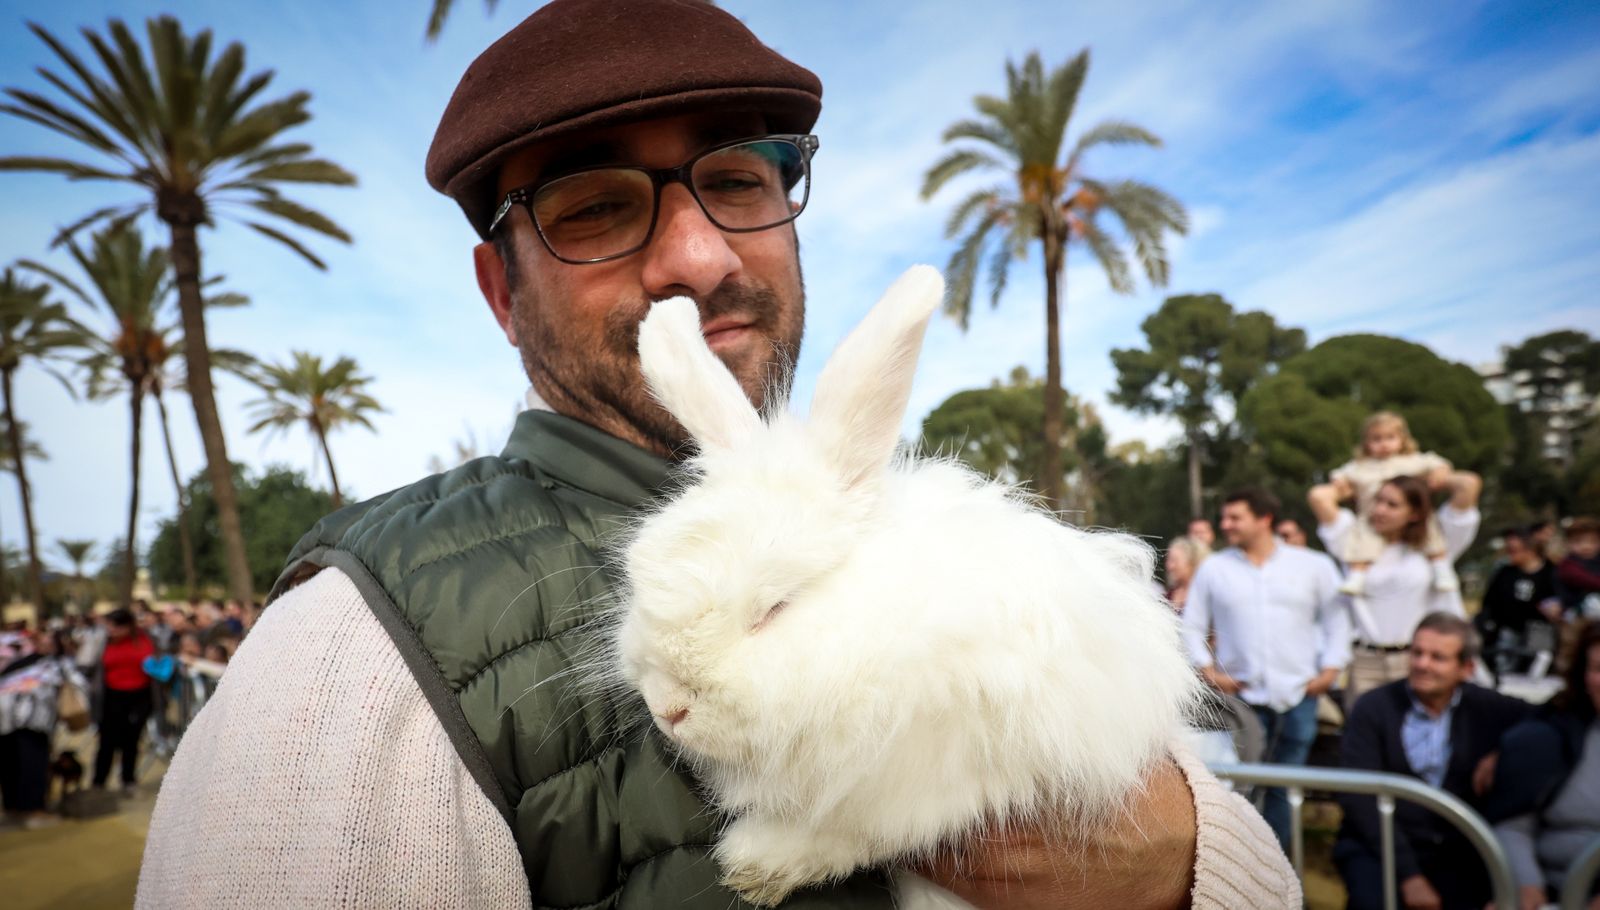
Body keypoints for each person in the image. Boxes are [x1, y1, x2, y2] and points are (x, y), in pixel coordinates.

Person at [137, 3, 1297, 908]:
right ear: (502, 290)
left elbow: (1239, 866)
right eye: (595, 207)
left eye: (739, 181)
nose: (695, 256)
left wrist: (1178, 857)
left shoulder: (905, 510)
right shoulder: (356, 652)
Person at [1182, 486, 1351, 850]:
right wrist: (1207, 670)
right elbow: (1191, 624)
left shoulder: (1314, 565)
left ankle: (1280, 871)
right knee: (1240, 787)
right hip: (1241, 700)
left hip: (1299, 696)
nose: (1225, 524)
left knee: (1284, 789)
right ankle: (1240, 866)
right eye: (1224, 517)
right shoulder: (1215, 567)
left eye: (1235, 517)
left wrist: (1330, 670)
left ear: (1264, 519)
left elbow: (1339, 621)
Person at [1334, 613, 1533, 910]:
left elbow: (1553, 715)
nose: (1422, 664)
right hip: (1381, 848)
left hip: (1460, 854)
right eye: (1417, 653)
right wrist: (1409, 875)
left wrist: (1506, 749)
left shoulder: (1490, 708)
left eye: (1437, 657)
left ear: (1466, 668)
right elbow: (1359, 796)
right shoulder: (1374, 707)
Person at [1312, 471, 1483, 711]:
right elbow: (1319, 498)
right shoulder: (1353, 541)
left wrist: (1433, 477)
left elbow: (1469, 484)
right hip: (1365, 661)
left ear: (1414, 513)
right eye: (1378, 501)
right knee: (1365, 738)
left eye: (1392, 504)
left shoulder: (1438, 543)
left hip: (1419, 660)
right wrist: (1352, 483)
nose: (1380, 510)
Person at [1485, 620, 1600, 910]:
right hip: (1550, 893)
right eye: (1598, 669)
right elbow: (1513, 824)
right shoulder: (1552, 733)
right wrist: (1525, 883)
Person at [1311, 411, 1459, 597]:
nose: (1384, 444)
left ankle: (1440, 567)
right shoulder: (1361, 466)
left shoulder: (1412, 461)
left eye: (1390, 437)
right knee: (1362, 541)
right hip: (1371, 518)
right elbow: (1340, 475)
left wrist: (1441, 472)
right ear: (1366, 442)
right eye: (1376, 439)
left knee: (1430, 532)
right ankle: (1357, 574)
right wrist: (1339, 483)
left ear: (1402, 439)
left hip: (1412, 519)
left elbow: (1437, 463)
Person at [0, 629, 87, 829]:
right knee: (31, 764)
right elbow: (78, 685)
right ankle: (32, 809)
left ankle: (14, 806)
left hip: (7, 719)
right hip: (32, 720)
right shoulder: (54, 664)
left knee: (11, 763)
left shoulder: (15, 658)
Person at [1479, 527, 1562, 675]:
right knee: (1504, 664)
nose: (1509, 554)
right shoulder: (1505, 573)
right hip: (1508, 629)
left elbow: (1561, 599)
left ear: (1529, 549)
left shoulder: (1551, 572)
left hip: (1540, 629)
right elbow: (1489, 602)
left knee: (1538, 664)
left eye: (1513, 550)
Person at [95, 608, 154, 794]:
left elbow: (154, 661)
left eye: (116, 626)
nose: (111, 630)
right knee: (107, 741)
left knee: (132, 739)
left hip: (139, 695)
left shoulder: (144, 640)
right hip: (112, 695)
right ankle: (99, 782)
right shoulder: (103, 643)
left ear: (127, 626)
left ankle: (128, 779)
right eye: (109, 626)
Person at [1558, 517, 1600, 617]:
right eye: (1578, 541)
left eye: (1593, 541)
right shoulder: (1567, 565)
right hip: (1575, 609)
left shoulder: (1597, 559)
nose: (1586, 546)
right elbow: (1589, 581)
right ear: (1568, 543)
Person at [1163, 535, 1208, 612]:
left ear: (1192, 563)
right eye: (1169, 560)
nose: (1169, 566)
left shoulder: (1205, 598)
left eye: (1174, 561)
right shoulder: (1165, 599)